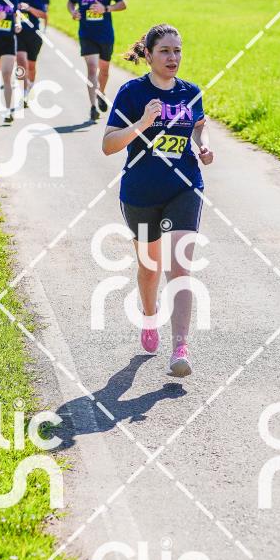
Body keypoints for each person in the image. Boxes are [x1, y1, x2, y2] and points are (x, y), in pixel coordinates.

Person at [102, 23, 214, 378]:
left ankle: (180, 347)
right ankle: (149, 317)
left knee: (180, 267)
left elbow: (198, 124)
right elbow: (108, 145)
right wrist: (142, 123)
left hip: (184, 187)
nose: (172, 57)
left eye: (177, 50)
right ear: (148, 55)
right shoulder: (132, 93)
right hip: (141, 192)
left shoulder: (190, 92)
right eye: (165, 51)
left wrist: (203, 144)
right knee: (150, 268)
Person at [67, 0, 126, 122]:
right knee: (92, 69)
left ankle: (101, 93)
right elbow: (70, 2)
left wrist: (106, 8)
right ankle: (93, 107)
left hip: (105, 35)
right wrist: (73, 12)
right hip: (86, 34)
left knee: (104, 70)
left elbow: (123, 4)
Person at [13, 0, 47, 105]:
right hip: (18, 35)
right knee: (21, 63)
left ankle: (29, 87)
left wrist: (29, 8)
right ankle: (23, 92)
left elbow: (43, 15)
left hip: (34, 35)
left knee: (31, 66)